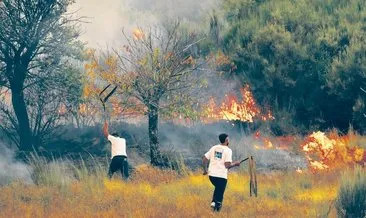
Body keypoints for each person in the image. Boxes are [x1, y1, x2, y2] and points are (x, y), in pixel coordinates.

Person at [202, 133, 241, 212]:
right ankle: (216, 210)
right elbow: (227, 165)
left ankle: (213, 202)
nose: (229, 141)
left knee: (218, 189)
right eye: (228, 139)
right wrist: (235, 164)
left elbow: (204, 159)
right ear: (226, 140)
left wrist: (205, 170)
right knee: (220, 194)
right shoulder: (228, 150)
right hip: (221, 176)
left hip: (212, 175)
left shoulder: (214, 148)